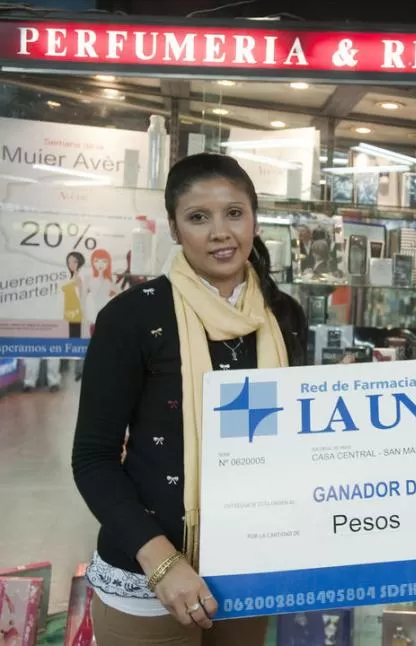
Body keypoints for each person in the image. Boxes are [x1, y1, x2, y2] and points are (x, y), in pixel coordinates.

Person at [72, 153, 308, 646]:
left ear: (255, 219)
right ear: (176, 230)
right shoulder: (132, 318)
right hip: (147, 574)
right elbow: (93, 459)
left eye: (234, 213)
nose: (221, 232)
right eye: (199, 217)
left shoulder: (283, 315)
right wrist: (162, 562)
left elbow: (296, 435)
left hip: (250, 562)